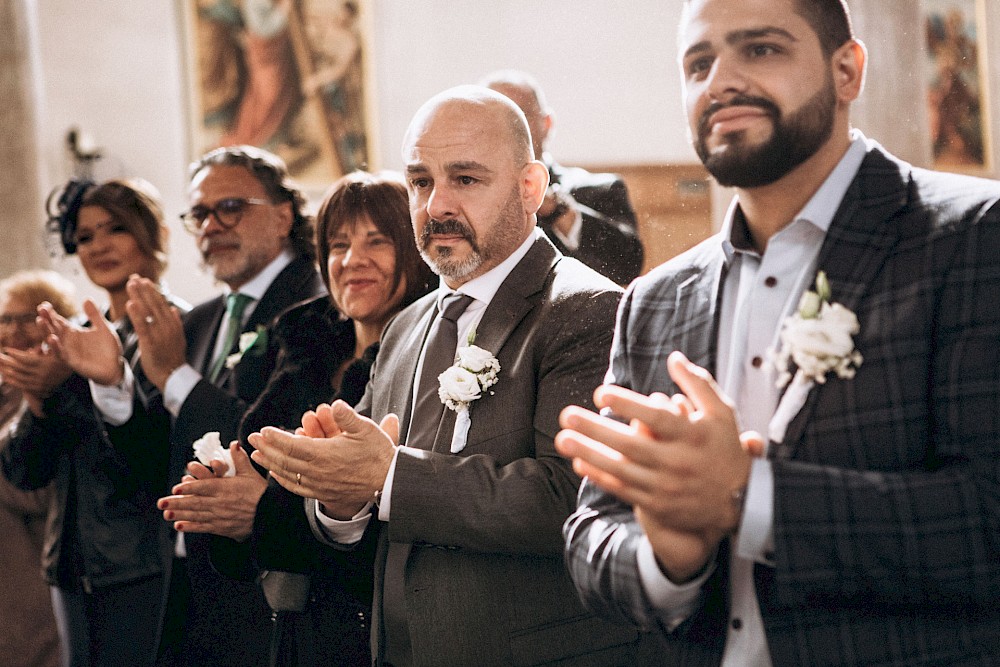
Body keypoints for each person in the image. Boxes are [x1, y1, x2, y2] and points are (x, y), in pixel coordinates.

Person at [556, 1, 1000, 665]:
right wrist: (666, 558)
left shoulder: (972, 237)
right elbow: (593, 530)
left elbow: (985, 516)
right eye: (698, 63)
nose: (721, 81)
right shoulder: (654, 300)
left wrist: (748, 495)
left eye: (760, 49)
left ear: (847, 70)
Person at [250, 85, 661, 666]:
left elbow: (573, 500)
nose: (436, 205)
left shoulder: (588, 310)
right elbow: (365, 498)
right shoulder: (406, 326)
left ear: (530, 188)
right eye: (420, 182)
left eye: (465, 179)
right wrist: (338, 501)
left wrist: (387, 479)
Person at [156, 170, 435, 667]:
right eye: (338, 244)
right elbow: (257, 481)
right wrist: (227, 495)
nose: (352, 261)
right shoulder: (307, 347)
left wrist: (262, 515)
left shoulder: (430, 355)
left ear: (415, 249)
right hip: (283, 625)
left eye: (378, 241)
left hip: (378, 630)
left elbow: (395, 524)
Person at [111, 145, 326, 667]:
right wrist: (110, 385)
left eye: (230, 207)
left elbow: (268, 442)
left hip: (267, 578)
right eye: (199, 214)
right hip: (189, 574)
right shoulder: (199, 319)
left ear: (282, 216)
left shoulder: (315, 307)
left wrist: (177, 377)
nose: (211, 225)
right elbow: (160, 456)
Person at [1, 179, 188, 667]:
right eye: (84, 237)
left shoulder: (187, 326)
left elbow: (157, 460)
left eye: (116, 229)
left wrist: (92, 385)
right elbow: (23, 471)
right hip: (71, 569)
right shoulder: (73, 339)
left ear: (156, 235)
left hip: (149, 565)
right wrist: (40, 398)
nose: (99, 246)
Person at [482, 70, 644, 284]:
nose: (504, 130)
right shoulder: (456, 197)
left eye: (518, 117)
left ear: (546, 124)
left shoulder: (599, 190)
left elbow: (628, 265)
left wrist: (557, 211)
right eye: (491, 120)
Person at [0, 269, 76, 667]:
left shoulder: (59, 394)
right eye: (5, 319)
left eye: (30, 317)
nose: (14, 330)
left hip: (31, 594)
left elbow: (35, 490)